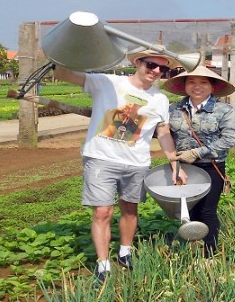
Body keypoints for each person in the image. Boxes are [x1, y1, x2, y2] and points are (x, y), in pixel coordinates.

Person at [53, 48, 182, 282]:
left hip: (137, 162)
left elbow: (162, 132)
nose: (156, 71)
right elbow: (66, 75)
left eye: (163, 69)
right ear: (138, 62)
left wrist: (174, 161)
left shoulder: (160, 99)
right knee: (103, 211)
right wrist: (63, 52)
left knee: (130, 209)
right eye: (151, 65)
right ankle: (103, 264)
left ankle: (125, 252)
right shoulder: (108, 82)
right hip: (101, 158)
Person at [164, 65, 235, 258]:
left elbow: (230, 139)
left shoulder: (224, 110)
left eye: (203, 82)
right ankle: (191, 251)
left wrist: (198, 153)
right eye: (191, 82)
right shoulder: (173, 110)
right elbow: (164, 134)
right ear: (184, 86)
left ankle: (209, 254)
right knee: (188, 211)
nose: (197, 86)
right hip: (183, 168)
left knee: (207, 211)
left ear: (213, 86)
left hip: (211, 167)